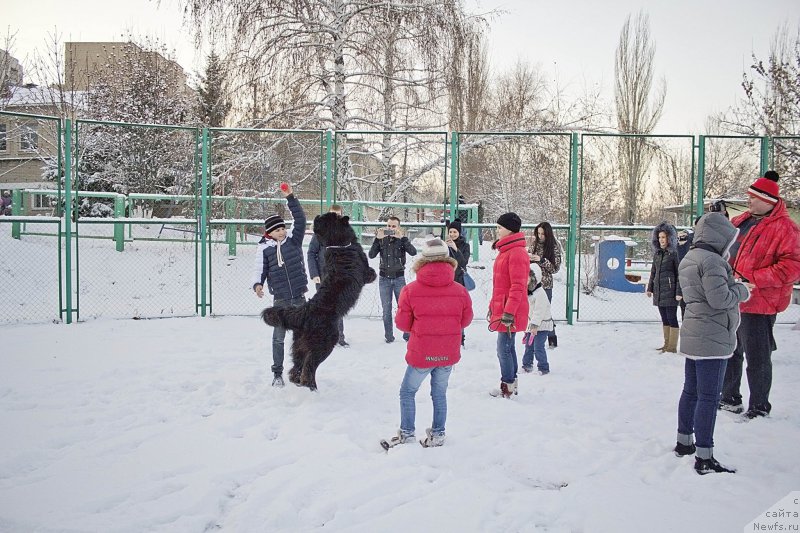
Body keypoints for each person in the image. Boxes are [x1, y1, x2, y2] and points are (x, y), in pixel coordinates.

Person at [720, 171, 800, 418]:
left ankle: (759, 406)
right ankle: (729, 398)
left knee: (757, 357)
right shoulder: (742, 220)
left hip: (760, 302)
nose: (749, 201)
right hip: (733, 297)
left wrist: (753, 279)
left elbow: (793, 265)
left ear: (768, 200)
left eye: (753, 197)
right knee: (730, 351)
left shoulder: (786, 228)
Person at [674, 212, 750, 475]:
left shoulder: (690, 258)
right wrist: (741, 289)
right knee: (708, 396)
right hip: (713, 336)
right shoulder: (713, 262)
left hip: (694, 331)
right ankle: (704, 457)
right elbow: (719, 299)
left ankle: (684, 442)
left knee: (690, 391)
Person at [382, 238, 473, 448]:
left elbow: (403, 324)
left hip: (422, 353)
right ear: (448, 260)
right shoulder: (459, 290)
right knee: (439, 393)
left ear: (423, 261)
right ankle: (438, 434)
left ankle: (407, 433)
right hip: (448, 353)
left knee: (407, 391)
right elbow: (466, 320)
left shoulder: (410, 290)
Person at [252, 183, 308, 387]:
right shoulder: (264, 249)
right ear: (269, 232)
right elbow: (260, 269)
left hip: (299, 297)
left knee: (302, 337)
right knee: (278, 338)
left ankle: (301, 370)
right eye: (278, 229)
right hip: (281, 299)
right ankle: (277, 373)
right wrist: (258, 284)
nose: (282, 231)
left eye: (283, 228)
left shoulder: (293, 241)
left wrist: (290, 197)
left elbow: (300, 220)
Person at [488, 212, 530, 398]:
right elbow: (499, 285)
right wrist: (492, 306)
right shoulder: (505, 251)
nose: (497, 231)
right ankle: (511, 384)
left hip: (509, 310)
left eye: (500, 227)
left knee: (503, 348)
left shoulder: (517, 253)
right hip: (502, 307)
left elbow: (518, 286)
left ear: (510, 229)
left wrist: (509, 312)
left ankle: (508, 385)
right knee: (508, 347)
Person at [369, 216, 417, 343]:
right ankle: (389, 336)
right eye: (389, 226)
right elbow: (371, 255)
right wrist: (377, 239)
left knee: (404, 308)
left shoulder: (402, 239)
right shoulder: (381, 239)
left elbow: (413, 252)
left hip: (399, 278)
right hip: (384, 278)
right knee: (386, 309)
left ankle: (407, 334)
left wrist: (403, 239)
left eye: (394, 226)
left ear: (398, 227)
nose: (391, 229)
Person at [308, 204, 349, 347]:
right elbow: (311, 253)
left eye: (337, 214)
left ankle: (339, 337)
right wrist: (314, 273)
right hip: (322, 276)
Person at [646, 222, 683, 353]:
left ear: (669, 238)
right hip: (659, 292)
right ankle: (666, 344)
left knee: (672, 317)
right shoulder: (657, 254)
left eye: (664, 237)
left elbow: (679, 273)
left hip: (671, 292)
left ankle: (672, 347)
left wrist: (679, 291)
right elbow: (653, 272)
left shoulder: (674, 254)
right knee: (664, 318)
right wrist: (650, 288)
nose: (661, 240)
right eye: (660, 237)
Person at [528, 221, 562, 348]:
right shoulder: (534, 244)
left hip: (546, 285)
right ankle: (532, 338)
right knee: (533, 312)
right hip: (532, 284)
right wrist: (529, 258)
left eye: (543, 234)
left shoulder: (554, 247)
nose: (540, 236)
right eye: (538, 233)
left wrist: (542, 261)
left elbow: (555, 269)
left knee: (545, 313)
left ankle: (552, 338)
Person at [521, 263, 554, 375]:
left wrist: (534, 326)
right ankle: (527, 365)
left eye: (527, 276)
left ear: (534, 278)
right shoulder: (529, 292)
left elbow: (539, 312)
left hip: (541, 325)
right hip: (533, 325)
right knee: (528, 346)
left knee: (538, 347)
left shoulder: (540, 294)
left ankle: (543, 368)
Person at [446, 219, 470, 346]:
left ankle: (461, 336)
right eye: (450, 231)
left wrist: (455, 249)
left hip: (459, 281)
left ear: (459, 233)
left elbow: (463, 262)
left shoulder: (465, 246)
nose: (452, 234)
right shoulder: (445, 245)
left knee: (459, 311)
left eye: (455, 232)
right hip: (446, 281)